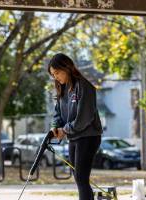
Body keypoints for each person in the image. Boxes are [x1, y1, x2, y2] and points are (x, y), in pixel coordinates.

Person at [48, 53, 103, 200]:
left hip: (89, 137)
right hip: (74, 137)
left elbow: (83, 119)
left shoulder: (84, 86)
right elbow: (57, 113)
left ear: (67, 67)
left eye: (57, 73)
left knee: (81, 177)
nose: (56, 77)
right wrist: (55, 126)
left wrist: (64, 130)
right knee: (79, 178)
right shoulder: (62, 89)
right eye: (53, 74)